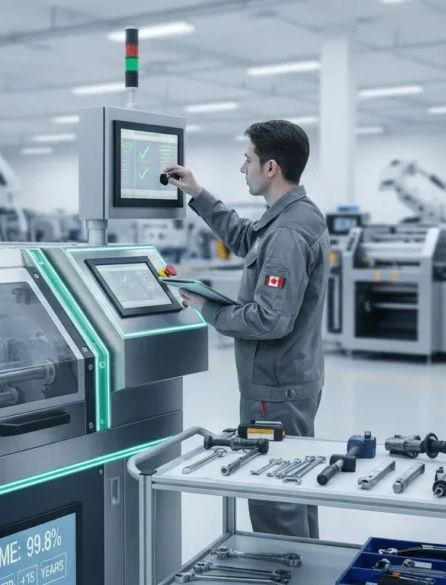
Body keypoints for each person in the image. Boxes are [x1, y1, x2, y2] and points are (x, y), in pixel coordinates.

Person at [163, 119, 329, 539]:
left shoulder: (289, 232)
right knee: (296, 488)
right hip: (290, 381)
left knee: (276, 500)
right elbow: (246, 238)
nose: (243, 168)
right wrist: (199, 195)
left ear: (270, 168)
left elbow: (269, 319)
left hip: (275, 390)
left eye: (248, 158)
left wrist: (208, 308)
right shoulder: (294, 216)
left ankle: (289, 570)